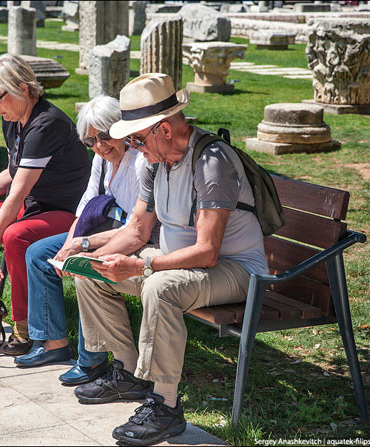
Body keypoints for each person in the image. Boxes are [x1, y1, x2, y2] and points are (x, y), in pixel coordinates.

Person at [71, 73, 269, 446]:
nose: (132, 146)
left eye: (136, 138)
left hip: (237, 270)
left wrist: (143, 266)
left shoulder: (212, 162)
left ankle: (165, 405)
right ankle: (129, 373)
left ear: (163, 129)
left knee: (161, 288)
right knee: (91, 274)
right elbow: (137, 231)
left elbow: (208, 252)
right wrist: (87, 257)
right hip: (181, 261)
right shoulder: (153, 161)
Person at [0, 53, 91, 356]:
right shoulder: (14, 119)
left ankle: (25, 324)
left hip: (66, 213)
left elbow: (18, 192)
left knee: (15, 236)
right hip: (33, 205)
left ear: (22, 88)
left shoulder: (46, 124)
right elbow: (17, 170)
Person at [14, 96, 154, 388]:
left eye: (105, 136)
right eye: (91, 141)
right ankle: (51, 342)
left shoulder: (140, 162)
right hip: (106, 231)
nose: (100, 146)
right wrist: (69, 243)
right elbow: (83, 210)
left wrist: (84, 247)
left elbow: (135, 228)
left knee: (85, 268)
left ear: (122, 130)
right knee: (40, 253)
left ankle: (92, 359)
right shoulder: (101, 161)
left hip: (135, 238)